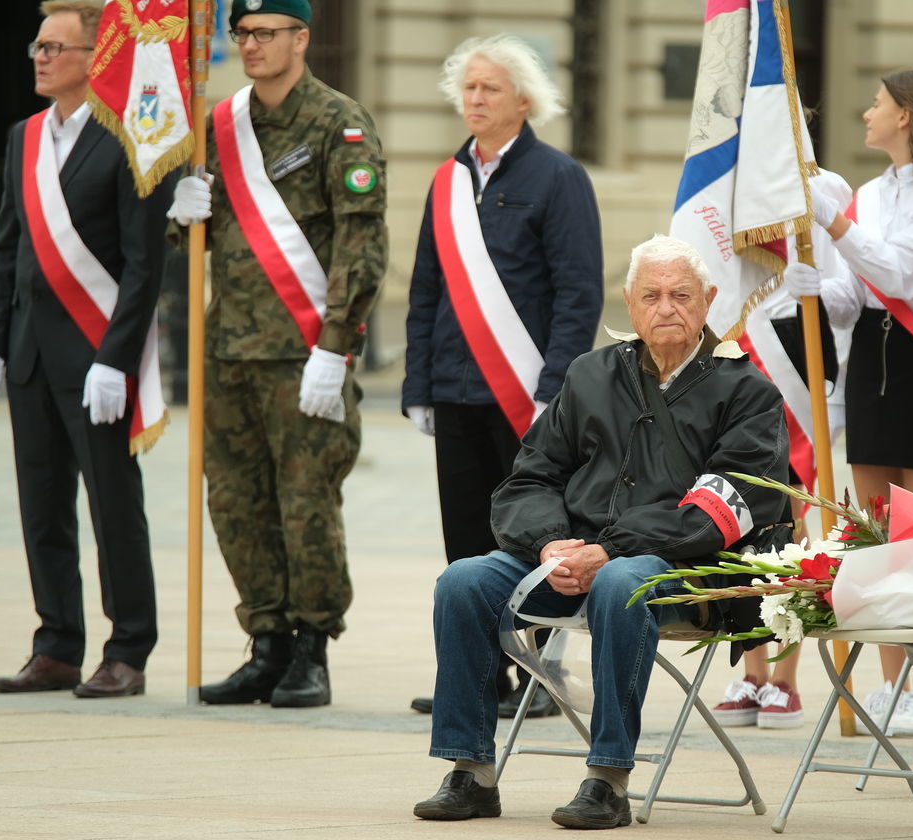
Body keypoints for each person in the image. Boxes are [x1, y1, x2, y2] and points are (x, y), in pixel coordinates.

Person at [412, 234, 790, 829]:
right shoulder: (590, 374)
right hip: (568, 556)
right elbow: (527, 479)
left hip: (677, 569)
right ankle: (470, 773)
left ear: (709, 299)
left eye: (682, 295)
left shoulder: (748, 391)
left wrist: (606, 550)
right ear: (629, 303)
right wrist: (549, 543)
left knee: (621, 582)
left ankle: (608, 779)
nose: (666, 308)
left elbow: (722, 510)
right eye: (652, 295)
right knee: (464, 582)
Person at [165, 0, 388, 708]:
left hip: (300, 355)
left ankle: (311, 647)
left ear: (300, 37)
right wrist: (183, 216)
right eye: (242, 34)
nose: (251, 45)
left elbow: (362, 241)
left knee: (305, 502)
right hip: (228, 348)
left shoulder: (338, 122)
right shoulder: (221, 124)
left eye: (266, 33)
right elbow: (204, 243)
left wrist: (335, 345)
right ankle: (266, 639)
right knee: (235, 501)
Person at [0, 0, 171, 697]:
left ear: (95, 59)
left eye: (56, 46)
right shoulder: (23, 137)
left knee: (113, 506)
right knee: (41, 505)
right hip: (29, 353)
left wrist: (117, 359)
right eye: (37, 44)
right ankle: (56, 642)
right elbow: (7, 252)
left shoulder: (127, 139)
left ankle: (128, 649)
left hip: (96, 358)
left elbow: (145, 264)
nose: (39, 56)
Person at [401, 34, 603, 718]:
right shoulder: (448, 182)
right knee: (465, 541)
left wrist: (554, 389)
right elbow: (425, 289)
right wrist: (417, 386)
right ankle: (479, 676)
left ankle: (541, 672)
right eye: (469, 87)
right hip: (457, 392)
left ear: (523, 98)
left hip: (526, 397)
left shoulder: (558, 177)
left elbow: (579, 292)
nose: (476, 99)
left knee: (533, 535)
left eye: (490, 88)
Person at [784, 69, 913, 732]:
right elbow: (854, 296)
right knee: (874, 529)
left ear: (908, 115)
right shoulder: (868, 194)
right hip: (871, 355)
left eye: (878, 103)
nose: (867, 112)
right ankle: (894, 682)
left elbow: (902, 273)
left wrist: (834, 223)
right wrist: (809, 285)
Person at [710, 166, 854, 730]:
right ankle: (751, 669)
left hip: (797, 356)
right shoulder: (723, 182)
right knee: (737, 519)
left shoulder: (827, 189)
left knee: (792, 523)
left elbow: (842, 296)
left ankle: (785, 680)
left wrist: (834, 399)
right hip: (736, 351)